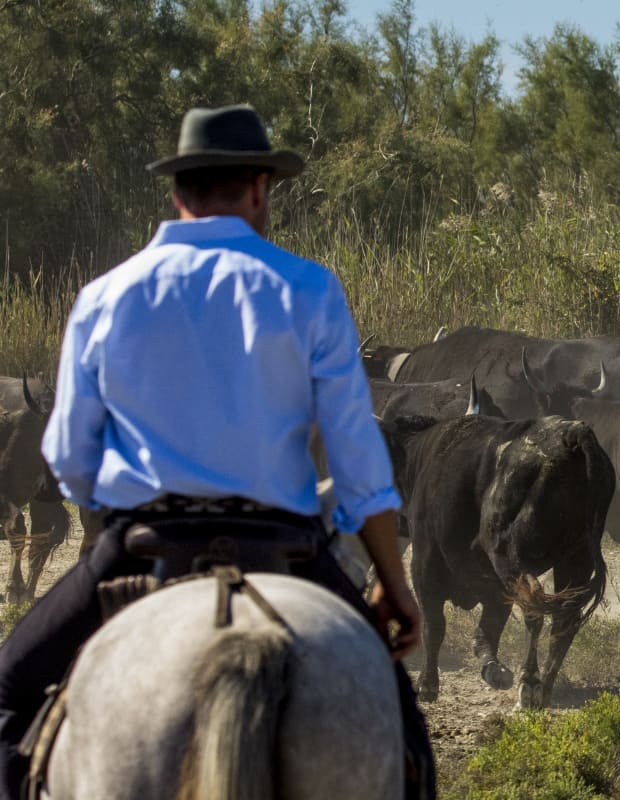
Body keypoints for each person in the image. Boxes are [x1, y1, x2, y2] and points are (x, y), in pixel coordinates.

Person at [0, 105, 434, 799]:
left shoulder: (104, 297)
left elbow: (73, 463)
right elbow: (360, 467)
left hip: (144, 546)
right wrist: (393, 583)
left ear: (179, 191)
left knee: (9, 689)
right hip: (287, 549)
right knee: (404, 730)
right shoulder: (310, 289)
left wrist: (112, 503)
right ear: (261, 188)